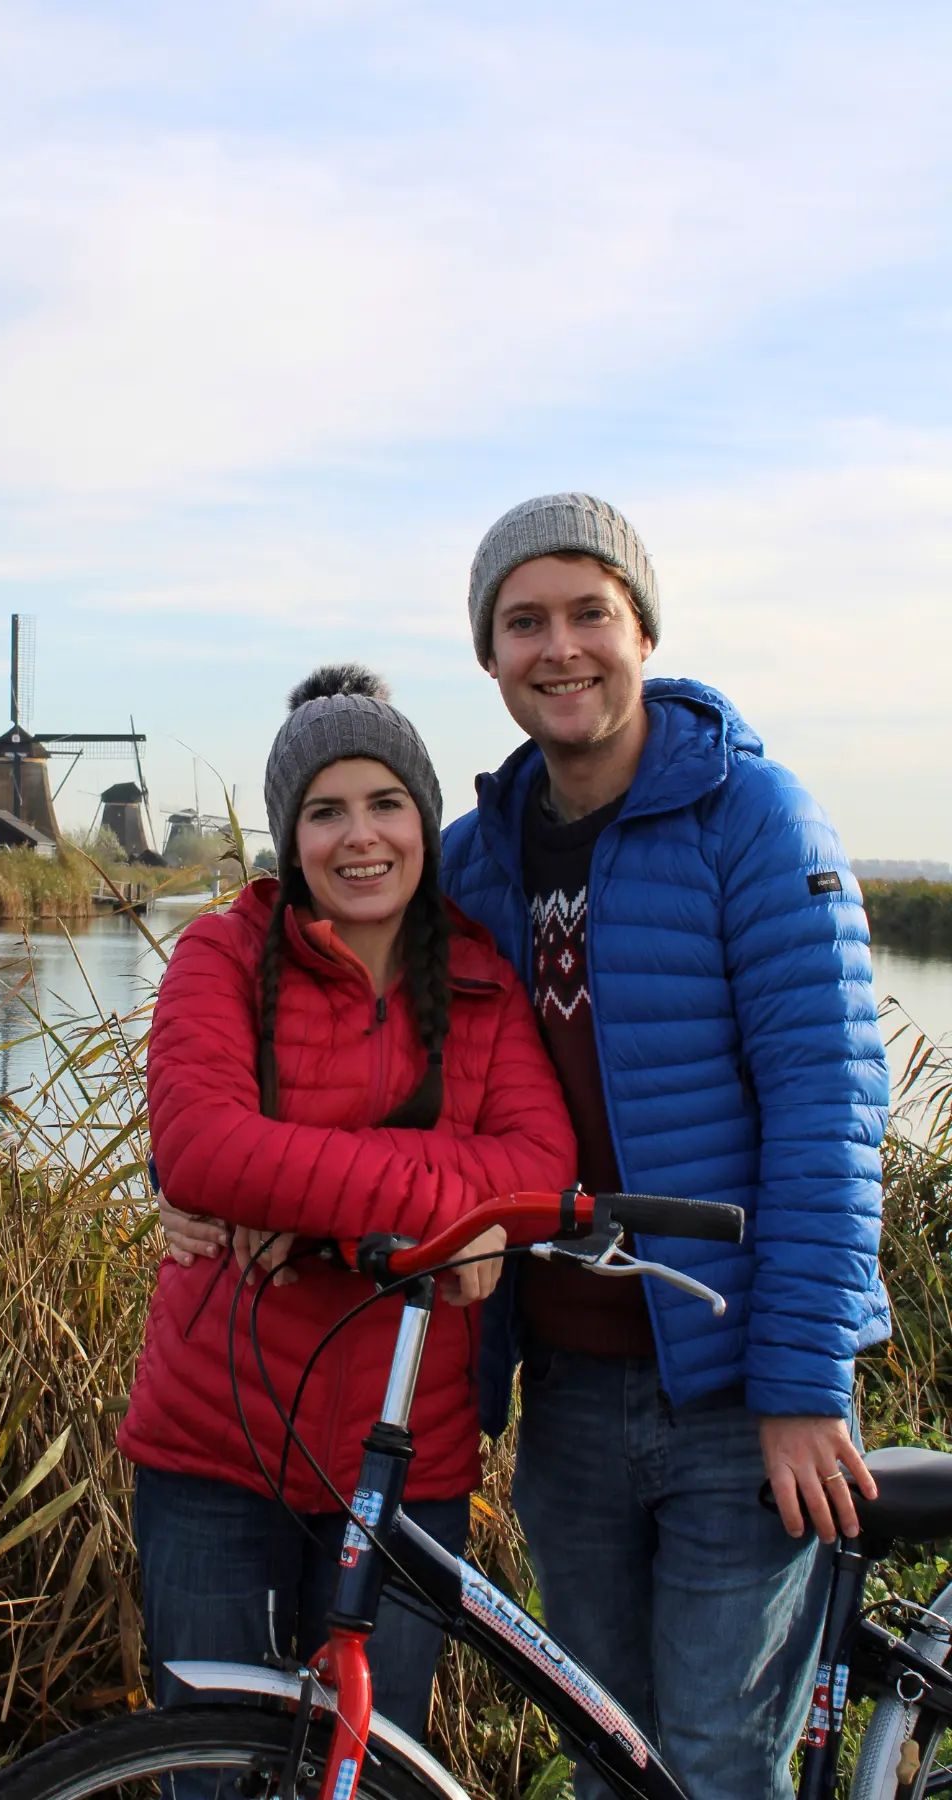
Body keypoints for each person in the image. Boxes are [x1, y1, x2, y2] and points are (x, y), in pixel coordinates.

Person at [440, 492, 890, 1799]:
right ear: (490, 655)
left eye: (591, 612)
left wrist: (803, 1383)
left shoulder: (754, 819)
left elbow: (831, 1104)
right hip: (569, 1394)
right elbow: (351, 1020)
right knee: (608, 1759)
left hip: (737, 1394)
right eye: (525, 621)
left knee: (709, 1764)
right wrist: (203, 1182)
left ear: (643, 630)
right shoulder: (478, 861)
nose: (560, 646)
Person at [120, 665, 576, 1740]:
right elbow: (199, 1151)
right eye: (325, 811)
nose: (358, 837)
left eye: (386, 804)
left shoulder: (478, 981)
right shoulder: (221, 957)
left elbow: (545, 1170)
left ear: (424, 820)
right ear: (290, 833)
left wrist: (305, 1191)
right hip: (215, 1447)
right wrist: (448, 1212)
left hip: (406, 1454)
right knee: (213, 1760)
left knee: (375, 1758)